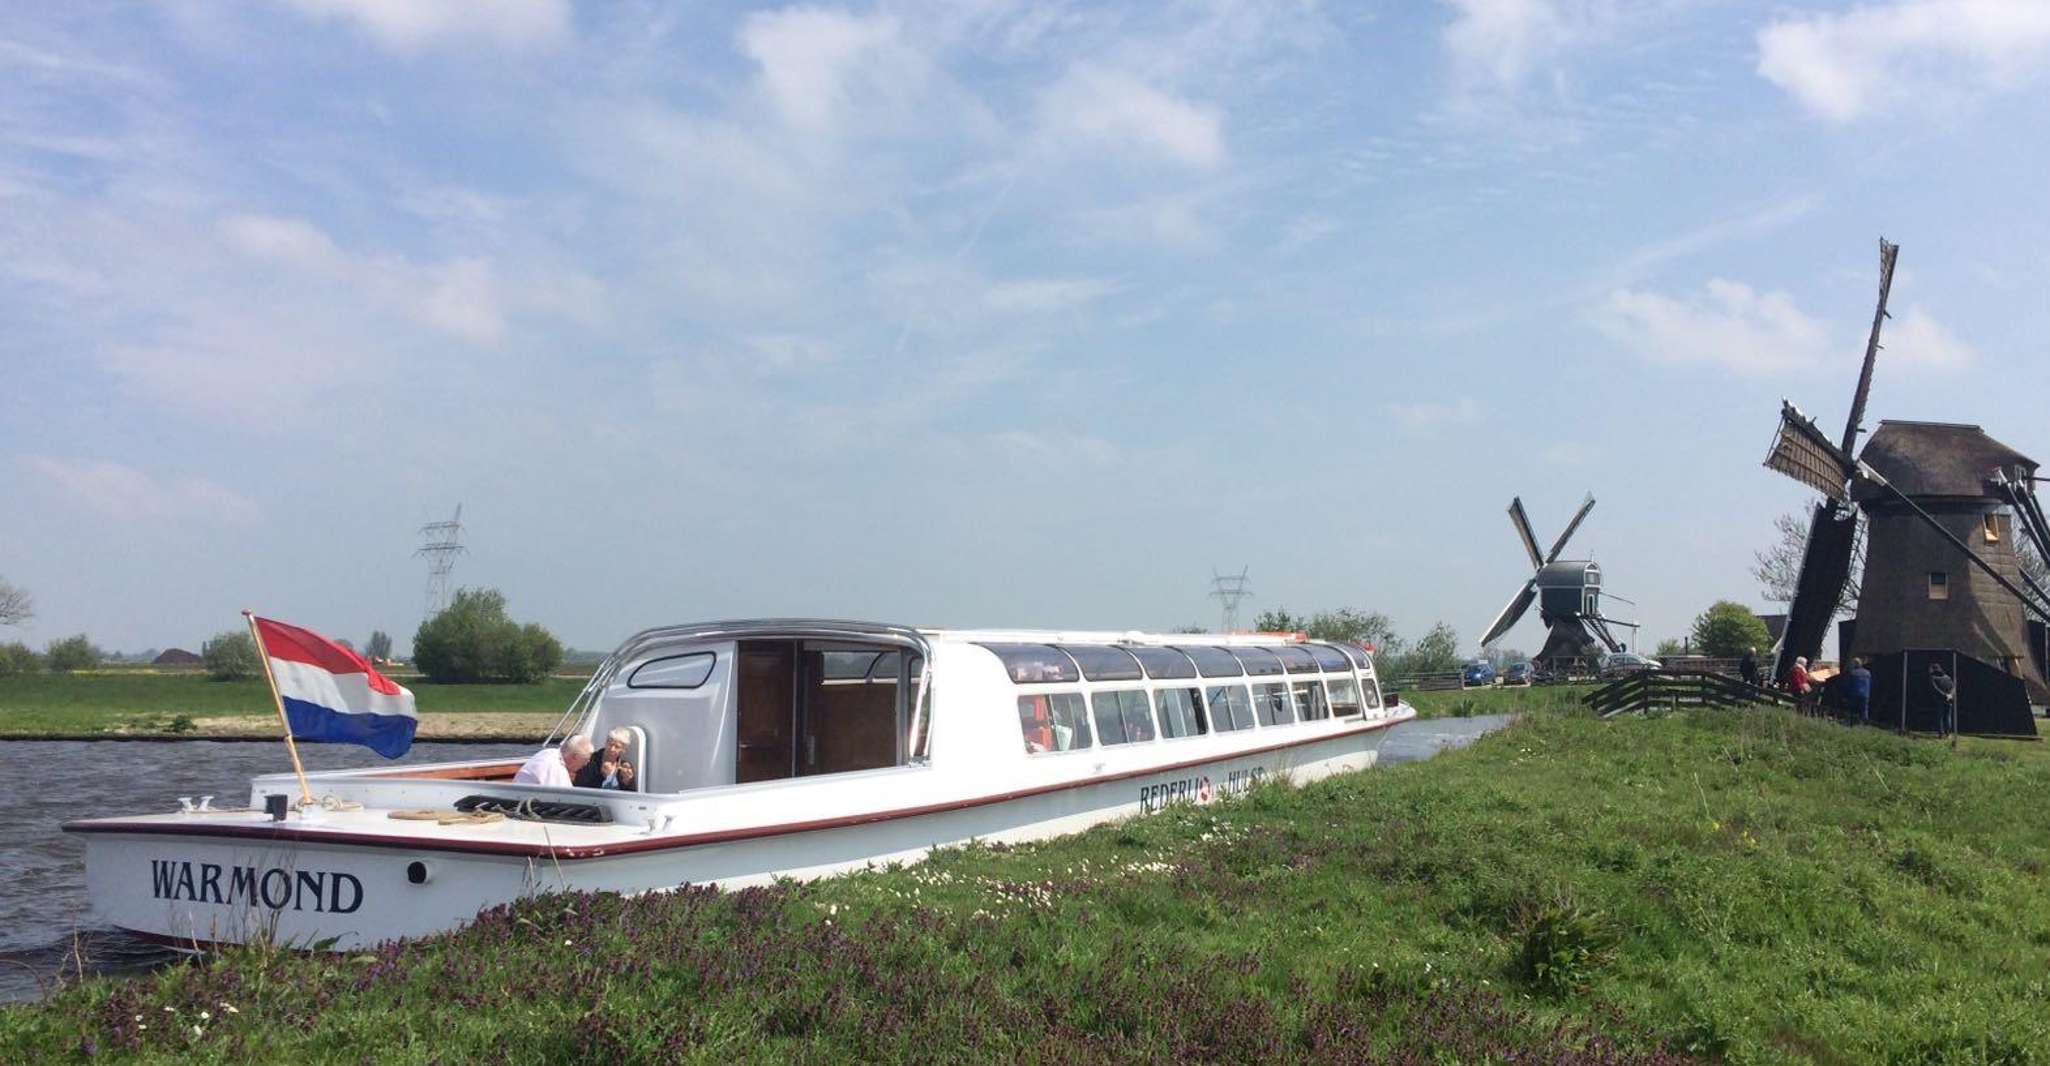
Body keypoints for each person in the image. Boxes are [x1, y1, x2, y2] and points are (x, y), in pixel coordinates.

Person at [514, 734, 593, 787]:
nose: (586, 764)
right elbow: (560, 799)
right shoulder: (553, 766)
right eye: (585, 760)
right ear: (575, 757)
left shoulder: (550, 752)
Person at [574, 727, 639, 791]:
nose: (612, 749)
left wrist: (627, 782)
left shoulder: (623, 767)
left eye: (617, 747)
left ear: (623, 750)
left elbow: (630, 794)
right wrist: (603, 776)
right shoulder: (590, 759)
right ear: (606, 743)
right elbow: (580, 784)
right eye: (610, 744)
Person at [1929, 662, 1957, 743]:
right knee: (1948, 716)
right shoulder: (1947, 677)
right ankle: (1948, 734)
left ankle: (1941, 734)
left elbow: (1935, 689)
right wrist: (1950, 695)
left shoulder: (1933, 678)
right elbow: (1953, 687)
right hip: (1949, 699)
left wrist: (1945, 695)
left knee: (1940, 717)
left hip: (1940, 700)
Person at [1847, 657, 1873, 724]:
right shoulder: (1868, 673)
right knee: (1864, 710)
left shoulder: (1852, 673)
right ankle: (1864, 723)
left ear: (1855, 664)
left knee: (1852, 709)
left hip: (1854, 693)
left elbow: (1849, 684)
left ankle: (1851, 723)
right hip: (1865, 694)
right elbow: (1870, 683)